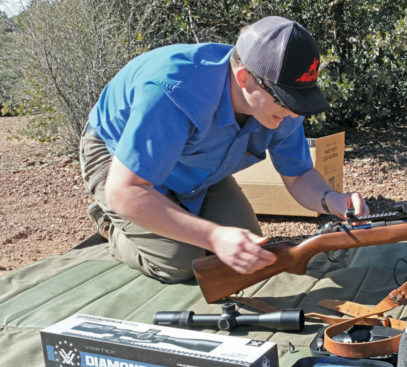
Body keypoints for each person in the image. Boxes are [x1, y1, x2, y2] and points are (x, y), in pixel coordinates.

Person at [79, 16, 369, 283]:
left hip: (195, 169)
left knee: (249, 252)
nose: (294, 113)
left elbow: (299, 176)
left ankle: (173, 214)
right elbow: (125, 190)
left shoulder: (282, 105)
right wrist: (214, 236)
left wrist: (332, 200)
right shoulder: (173, 90)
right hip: (119, 158)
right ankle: (110, 225)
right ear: (244, 78)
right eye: (285, 100)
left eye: (300, 100)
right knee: (179, 262)